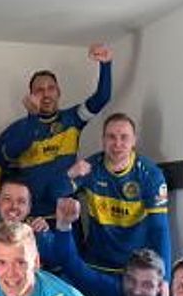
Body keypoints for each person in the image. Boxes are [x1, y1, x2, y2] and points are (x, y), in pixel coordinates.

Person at [0, 44, 113, 218]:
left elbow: (102, 97)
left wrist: (106, 64)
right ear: (30, 96)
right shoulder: (19, 127)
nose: (46, 94)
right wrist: (32, 117)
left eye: (51, 88)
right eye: (39, 90)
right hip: (31, 218)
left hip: (66, 213)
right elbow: (7, 155)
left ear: (58, 92)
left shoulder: (73, 118)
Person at [64, 113, 170, 276]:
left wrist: (165, 279)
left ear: (134, 141)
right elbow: (53, 194)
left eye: (124, 137)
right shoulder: (90, 167)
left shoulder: (150, 174)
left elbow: (159, 230)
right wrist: (69, 175)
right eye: (111, 137)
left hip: (135, 270)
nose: (117, 144)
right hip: (96, 265)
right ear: (103, 140)